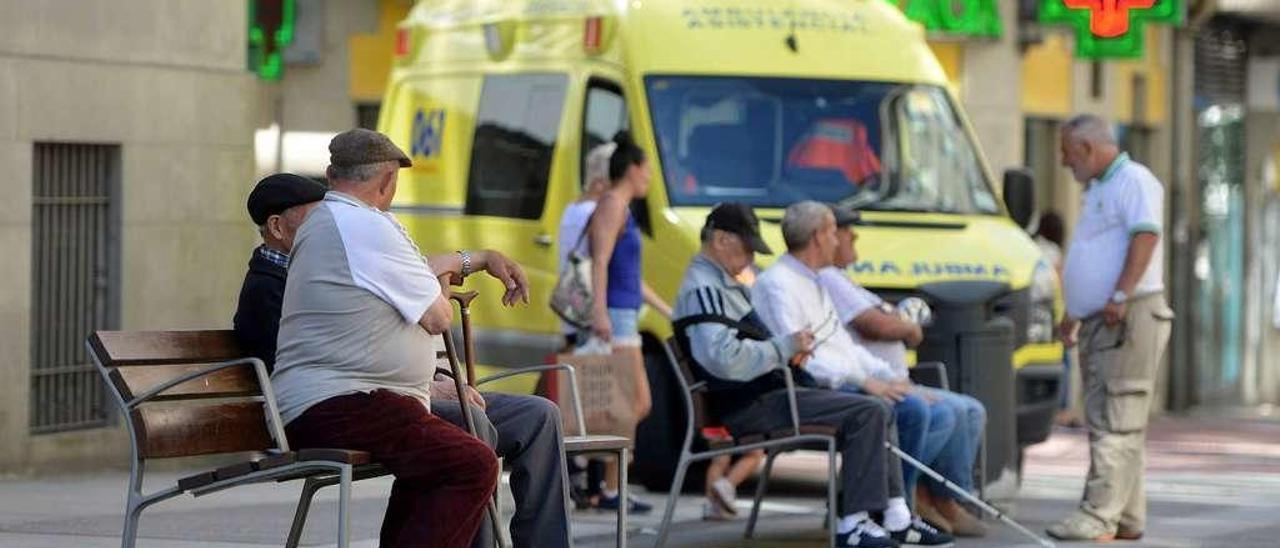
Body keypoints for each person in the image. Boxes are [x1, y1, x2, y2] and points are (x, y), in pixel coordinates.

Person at [232, 172, 574, 548]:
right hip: (353, 405)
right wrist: (428, 383)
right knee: (469, 435)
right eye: (316, 216)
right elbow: (312, 363)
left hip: (406, 394)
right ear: (278, 227)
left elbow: (414, 276)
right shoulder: (271, 288)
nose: (328, 223)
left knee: (539, 416)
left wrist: (480, 259)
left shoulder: (341, 258)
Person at [673, 202, 951, 547]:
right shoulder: (705, 289)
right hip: (754, 403)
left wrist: (786, 350)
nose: (749, 259)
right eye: (746, 248)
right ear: (720, 239)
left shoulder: (720, 284)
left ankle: (893, 515)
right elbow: (724, 361)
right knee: (868, 409)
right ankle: (853, 524)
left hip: (769, 393)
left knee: (875, 405)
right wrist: (785, 348)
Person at [817, 207, 987, 537]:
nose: (855, 239)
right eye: (849, 233)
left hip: (887, 377)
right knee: (935, 413)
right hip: (864, 384)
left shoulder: (845, 279)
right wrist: (907, 328)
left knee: (970, 409)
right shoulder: (828, 278)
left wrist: (901, 328)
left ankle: (942, 499)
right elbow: (875, 325)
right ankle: (901, 501)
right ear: (831, 237)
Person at [1047, 114, 1173, 542]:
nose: (1064, 162)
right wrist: (1074, 310)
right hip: (1103, 317)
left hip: (1128, 314)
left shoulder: (1133, 181)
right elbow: (1093, 254)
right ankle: (1126, 517)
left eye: (1066, 152)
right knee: (1118, 420)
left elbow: (1145, 237)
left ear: (1087, 147)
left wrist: (1121, 294)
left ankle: (1097, 515)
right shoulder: (1100, 188)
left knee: (1116, 421)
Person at [583, 130, 672, 512]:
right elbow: (599, 261)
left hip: (625, 313)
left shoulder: (623, 209)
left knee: (634, 403)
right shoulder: (612, 206)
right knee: (634, 402)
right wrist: (599, 311)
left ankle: (610, 482)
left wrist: (667, 309)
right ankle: (609, 484)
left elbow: (628, 274)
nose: (650, 177)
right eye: (647, 169)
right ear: (632, 169)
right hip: (615, 317)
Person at [233, 173, 327, 373]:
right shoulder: (266, 288)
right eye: (315, 220)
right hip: (295, 397)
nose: (324, 229)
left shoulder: (298, 275)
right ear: (276, 227)